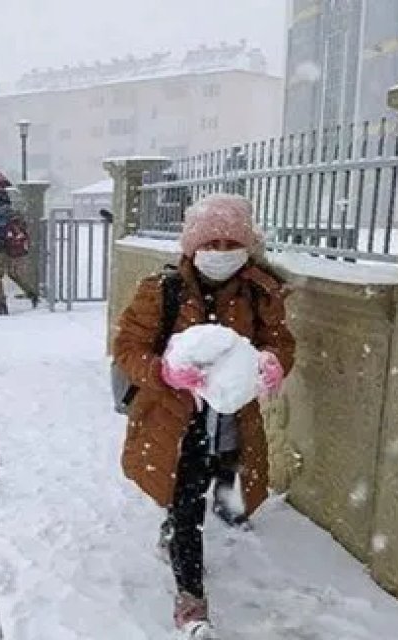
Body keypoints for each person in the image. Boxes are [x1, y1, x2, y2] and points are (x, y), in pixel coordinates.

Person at [112, 194, 295, 634]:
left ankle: (179, 529)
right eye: (211, 243)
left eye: (231, 243)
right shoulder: (162, 290)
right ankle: (191, 600)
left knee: (224, 486)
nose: (221, 252)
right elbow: (127, 347)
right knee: (186, 501)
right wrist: (163, 371)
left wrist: (273, 362)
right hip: (178, 420)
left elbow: (279, 340)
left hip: (232, 419)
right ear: (193, 246)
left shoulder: (259, 292)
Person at [0, 189, 39, 315]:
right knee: (13, 274)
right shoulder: (13, 213)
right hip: (14, 248)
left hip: (0, 249)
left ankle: (2, 304)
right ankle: (31, 293)